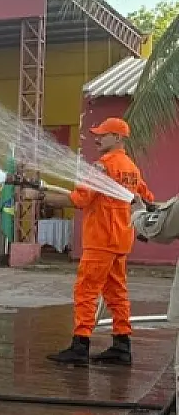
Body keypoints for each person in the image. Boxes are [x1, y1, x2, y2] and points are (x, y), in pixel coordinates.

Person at [32, 118, 155, 366]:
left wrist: (43, 197)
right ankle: (122, 346)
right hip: (121, 239)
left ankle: (80, 346)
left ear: (118, 138)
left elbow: (80, 199)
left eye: (103, 134)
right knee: (117, 293)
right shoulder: (130, 167)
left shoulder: (103, 166)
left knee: (86, 291)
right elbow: (146, 197)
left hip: (100, 240)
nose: (97, 138)